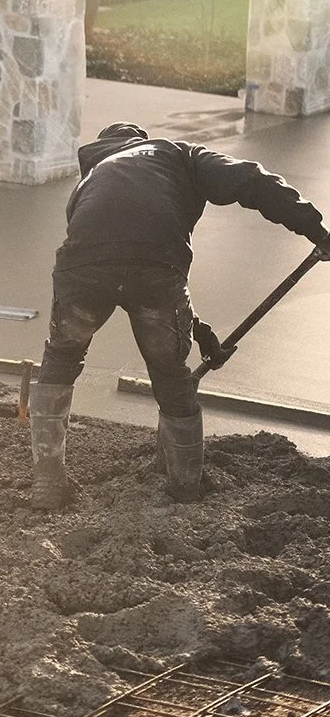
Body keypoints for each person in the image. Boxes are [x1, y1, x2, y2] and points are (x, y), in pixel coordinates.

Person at [30, 122, 330, 508]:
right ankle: (185, 487)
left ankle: (48, 484)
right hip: (158, 271)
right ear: (141, 139)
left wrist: (200, 332)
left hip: (82, 269)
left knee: (61, 359)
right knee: (171, 378)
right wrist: (315, 229)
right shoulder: (177, 153)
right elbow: (251, 180)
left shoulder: (89, 180)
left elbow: (111, 258)